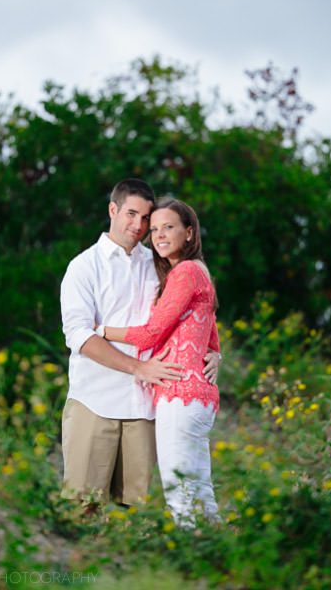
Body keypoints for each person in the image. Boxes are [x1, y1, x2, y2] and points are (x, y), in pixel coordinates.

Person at [60, 180, 220, 509]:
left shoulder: (160, 263)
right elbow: (79, 335)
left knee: (139, 512)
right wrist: (138, 367)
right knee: (83, 507)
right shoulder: (83, 267)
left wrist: (215, 352)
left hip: (146, 407)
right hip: (95, 399)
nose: (139, 225)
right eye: (131, 214)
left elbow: (199, 308)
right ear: (112, 210)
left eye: (146, 218)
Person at [98, 198, 220, 524]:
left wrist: (101, 330)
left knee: (180, 492)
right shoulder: (197, 272)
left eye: (168, 227)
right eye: (154, 229)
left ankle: (192, 564)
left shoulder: (186, 272)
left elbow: (152, 333)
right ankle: (222, 557)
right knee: (199, 490)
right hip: (195, 395)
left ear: (189, 232)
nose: (159, 235)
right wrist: (216, 354)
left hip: (180, 394)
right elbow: (210, 330)